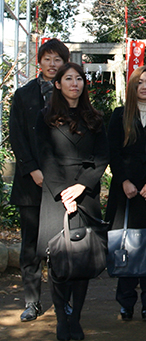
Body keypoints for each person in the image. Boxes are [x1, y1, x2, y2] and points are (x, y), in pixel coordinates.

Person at [35, 62, 109, 341]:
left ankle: (75, 317)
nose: (74, 83)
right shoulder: (45, 118)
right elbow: (45, 158)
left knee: (82, 259)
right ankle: (61, 318)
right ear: (58, 84)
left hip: (85, 194)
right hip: (56, 195)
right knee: (59, 260)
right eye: (68, 79)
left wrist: (81, 186)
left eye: (79, 78)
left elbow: (103, 156)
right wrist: (64, 192)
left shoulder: (95, 118)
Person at [9, 38, 70, 322]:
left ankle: (63, 301)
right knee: (31, 247)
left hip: (63, 186)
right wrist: (32, 169)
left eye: (58, 60)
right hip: (30, 186)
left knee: (61, 246)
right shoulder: (23, 95)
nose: (52, 64)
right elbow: (18, 138)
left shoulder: (72, 93)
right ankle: (32, 302)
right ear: (39, 61)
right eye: (47, 59)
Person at [106, 66, 146, 322]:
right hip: (126, 193)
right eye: (140, 82)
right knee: (126, 245)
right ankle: (126, 303)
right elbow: (113, 153)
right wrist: (124, 181)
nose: (145, 87)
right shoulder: (119, 116)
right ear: (133, 86)